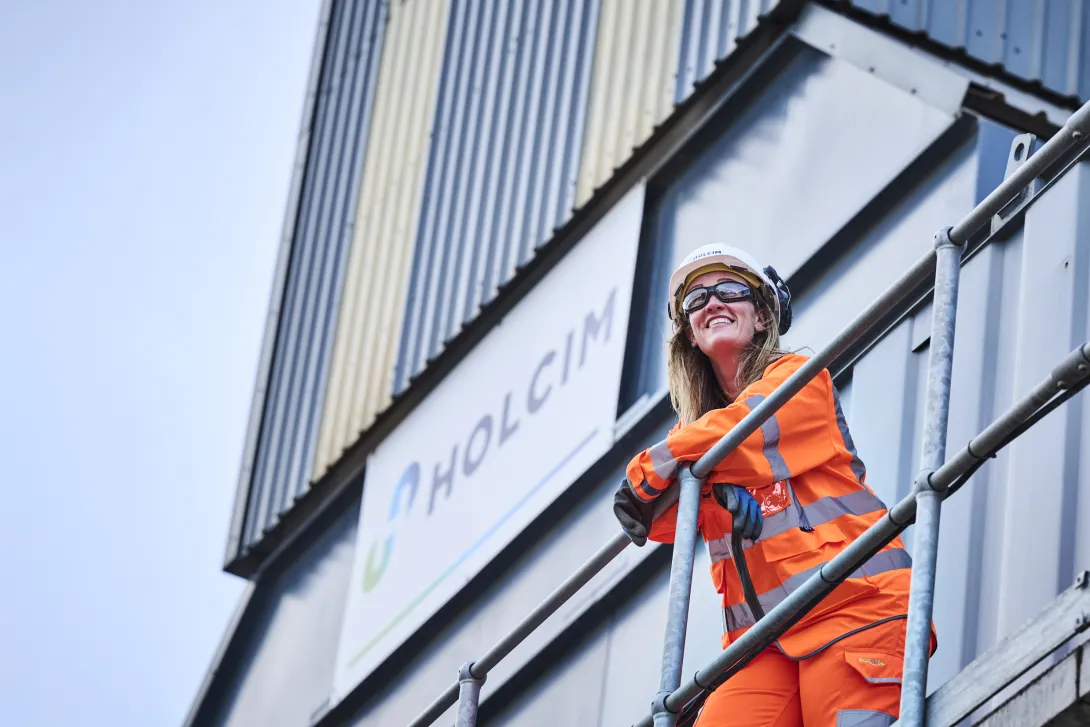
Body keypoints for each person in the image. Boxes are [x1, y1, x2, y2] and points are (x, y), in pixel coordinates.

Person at [612, 244, 935, 727]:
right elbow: (654, 521)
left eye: (729, 290)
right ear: (690, 335)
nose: (712, 303)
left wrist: (670, 471)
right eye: (696, 300)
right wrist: (712, 485)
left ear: (763, 317)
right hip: (762, 645)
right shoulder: (693, 442)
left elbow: (744, 431)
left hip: (856, 605)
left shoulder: (799, 380)